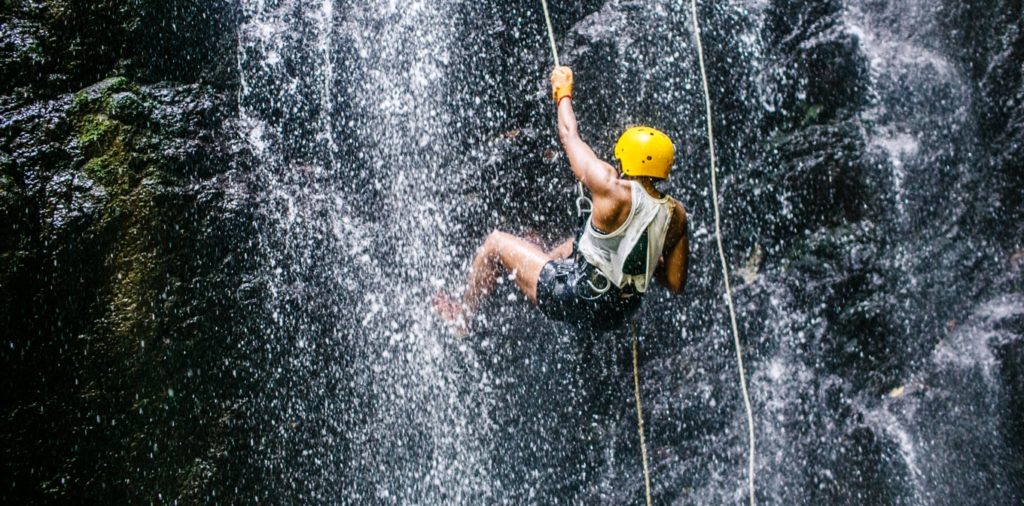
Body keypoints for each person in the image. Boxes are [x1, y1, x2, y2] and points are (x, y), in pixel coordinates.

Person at [433, 65, 689, 334]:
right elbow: (675, 282)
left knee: (495, 244)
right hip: (617, 314)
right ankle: (538, 258)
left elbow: (569, 135)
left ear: (625, 158)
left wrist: (563, 94)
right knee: (580, 241)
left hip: (575, 297)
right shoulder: (676, 214)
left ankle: (461, 317)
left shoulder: (610, 184)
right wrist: (642, 254)